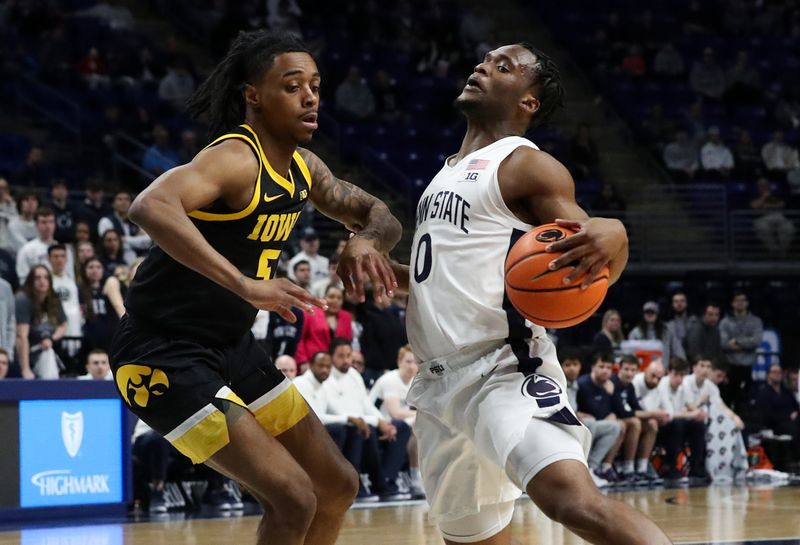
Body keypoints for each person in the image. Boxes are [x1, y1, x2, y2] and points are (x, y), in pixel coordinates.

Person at [110, 30, 401, 545]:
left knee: (336, 485)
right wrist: (245, 284)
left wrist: (367, 242)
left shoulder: (306, 169)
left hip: (231, 347)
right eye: (293, 86)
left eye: (315, 85)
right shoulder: (236, 158)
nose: (310, 96)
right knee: (293, 497)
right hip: (160, 353)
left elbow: (380, 215)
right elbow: (149, 206)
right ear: (253, 96)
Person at [391, 43, 669, 544]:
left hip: (503, 368)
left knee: (571, 500)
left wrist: (616, 236)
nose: (482, 67)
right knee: (473, 540)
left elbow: (591, 261)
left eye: (503, 67)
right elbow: (447, 272)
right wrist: (390, 276)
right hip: (437, 387)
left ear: (528, 102)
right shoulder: (447, 170)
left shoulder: (525, 166)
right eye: (484, 60)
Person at [323, 338, 411, 501]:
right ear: (331, 356)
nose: (346, 360)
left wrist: (383, 422)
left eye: (348, 355)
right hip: (348, 426)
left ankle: (386, 480)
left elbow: (366, 404)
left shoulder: (354, 375)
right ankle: (362, 485)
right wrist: (377, 422)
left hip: (367, 421)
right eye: (341, 356)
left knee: (401, 427)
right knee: (360, 430)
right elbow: (342, 411)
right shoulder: (327, 378)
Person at [368, 344, 425, 498]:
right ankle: (402, 479)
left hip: (401, 425)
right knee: (409, 427)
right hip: (377, 423)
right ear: (399, 362)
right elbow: (395, 413)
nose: (412, 366)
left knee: (421, 428)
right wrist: (421, 414)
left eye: (415, 362)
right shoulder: (390, 380)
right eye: (408, 361)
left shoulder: (417, 381)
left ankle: (417, 477)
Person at [559, 349, 619, 488]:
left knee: (614, 427)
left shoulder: (576, 384)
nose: (573, 369)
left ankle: (592, 468)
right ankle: (582, 469)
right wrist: (576, 414)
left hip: (576, 423)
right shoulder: (558, 383)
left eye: (575, 364)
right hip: (561, 426)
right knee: (589, 424)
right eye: (568, 365)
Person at [613, 355, 668, 484]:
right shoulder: (613, 383)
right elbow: (622, 412)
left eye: (633, 370)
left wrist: (653, 416)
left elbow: (636, 409)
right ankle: (628, 468)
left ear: (637, 371)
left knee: (652, 424)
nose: (629, 373)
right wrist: (653, 413)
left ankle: (642, 468)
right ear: (619, 369)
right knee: (635, 422)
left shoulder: (630, 387)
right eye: (626, 369)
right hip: (616, 420)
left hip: (625, 421)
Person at [15, 265, 67, 379]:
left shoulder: (53, 299)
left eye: (46, 277)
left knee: (48, 355)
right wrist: (25, 368)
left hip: (45, 348)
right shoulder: (23, 299)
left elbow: (63, 325)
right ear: (30, 281)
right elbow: (21, 336)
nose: (42, 281)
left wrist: (51, 339)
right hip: (25, 351)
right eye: (37, 278)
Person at [719, 291, 763, 412]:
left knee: (745, 402)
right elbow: (723, 344)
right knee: (727, 401)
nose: (740, 303)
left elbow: (756, 341)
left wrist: (736, 342)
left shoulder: (756, 321)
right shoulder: (725, 322)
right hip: (729, 367)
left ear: (747, 303)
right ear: (732, 303)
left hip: (747, 367)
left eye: (742, 300)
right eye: (737, 300)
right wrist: (746, 345)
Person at [294, 284, 353, 365]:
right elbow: (300, 339)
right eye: (331, 297)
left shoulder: (347, 317)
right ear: (324, 298)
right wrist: (303, 361)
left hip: (337, 364)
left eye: (339, 298)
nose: (335, 300)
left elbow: (348, 342)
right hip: (312, 362)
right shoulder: (310, 313)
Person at [80, 257, 125, 354]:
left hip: (109, 338)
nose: (95, 270)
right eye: (91, 267)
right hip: (88, 338)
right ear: (84, 270)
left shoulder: (108, 289)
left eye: (98, 267)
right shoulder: (79, 290)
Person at [97, 191, 152, 263]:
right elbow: (109, 243)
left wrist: (124, 239)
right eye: (120, 199)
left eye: (127, 199)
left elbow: (148, 241)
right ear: (113, 204)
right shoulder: (106, 221)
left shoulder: (137, 221)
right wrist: (137, 240)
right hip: (114, 261)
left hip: (140, 259)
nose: (124, 202)